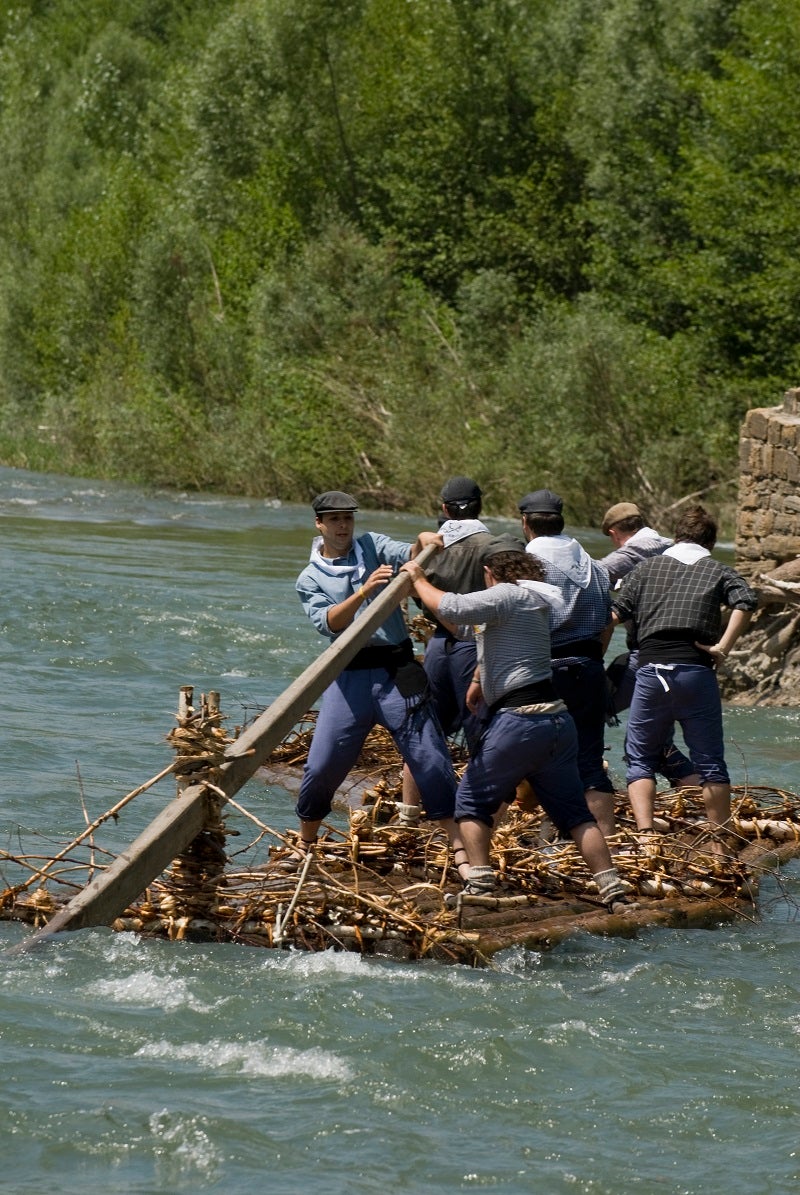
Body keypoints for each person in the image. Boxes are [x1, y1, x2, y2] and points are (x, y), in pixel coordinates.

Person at [401, 535, 635, 911]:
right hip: (556, 722)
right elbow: (470, 631)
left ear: (492, 574)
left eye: (486, 577)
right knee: (575, 814)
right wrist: (480, 680)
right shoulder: (535, 601)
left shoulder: (508, 595)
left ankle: (479, 886)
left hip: (520, 721)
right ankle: (614, 891)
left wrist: (417, 577)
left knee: (472, 801)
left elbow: (453, 606)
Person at [293, 490, 460, 856]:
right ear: (319, 524)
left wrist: (423, 541)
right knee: (322, 766)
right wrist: (364, 592)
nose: (342, 526)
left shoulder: (371, 545)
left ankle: (460, 845)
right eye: (334, 520)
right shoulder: (309, 578)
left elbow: (411, 554)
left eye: (348, 519)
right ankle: (306, 841)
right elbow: (331, 623)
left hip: (395, 673)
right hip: (349, 674)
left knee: (430, 759)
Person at [610, 504, 758, 839]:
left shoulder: (645, 570)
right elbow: (746, 601)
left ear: (676, 536)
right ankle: (720, 842)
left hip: (650, 672)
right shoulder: (719, 571)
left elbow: (614, 614)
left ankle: (647, 839)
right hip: (696, 673)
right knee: (710, 763)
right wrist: (723, 647)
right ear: (711, 542)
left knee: (641, 760)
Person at [518, 490, 617, 838]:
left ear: (526, 523)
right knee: (590, 762)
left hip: (543, 672)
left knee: (517, 757)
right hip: (588, 667)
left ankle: (493, 846)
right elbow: (608, 622)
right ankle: (605, 841)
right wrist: (595, 659)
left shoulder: (527, 564)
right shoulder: (594, 564)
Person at [398, 476, 493, 831]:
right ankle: (472, 814)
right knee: (480, 735)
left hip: (440, 644)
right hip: (476, 646)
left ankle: (408, 813)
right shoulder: (492, 544)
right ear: (480, 505)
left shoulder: (435, 548)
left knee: (424, 729)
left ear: (443, 508)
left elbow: (414, 591)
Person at [599, 500, 699, 788]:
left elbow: (591, 577)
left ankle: (594, 779)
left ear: (614, 532)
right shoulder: (673, 546)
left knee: (589, 711)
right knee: (660, 746)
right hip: (689, 659)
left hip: (650, 657)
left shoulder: (637, 550)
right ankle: (698, 804)